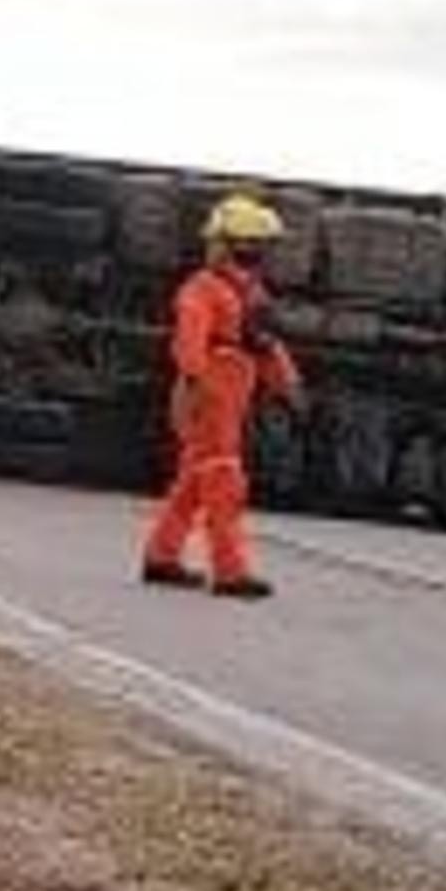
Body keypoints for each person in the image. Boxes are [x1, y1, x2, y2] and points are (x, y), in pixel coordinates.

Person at [142, 194, 304, 600]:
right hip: (214, 390)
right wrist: (193, 385)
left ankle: (161, 558)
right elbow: (191, 339)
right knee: (224, 478)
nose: (263, 251)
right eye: (256, 242)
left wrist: (289, 387)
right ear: (233, 243)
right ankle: (231, 573)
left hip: (231, 388)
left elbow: (264, 344)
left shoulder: (249, 292)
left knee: (193, 482)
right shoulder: (204, 288)